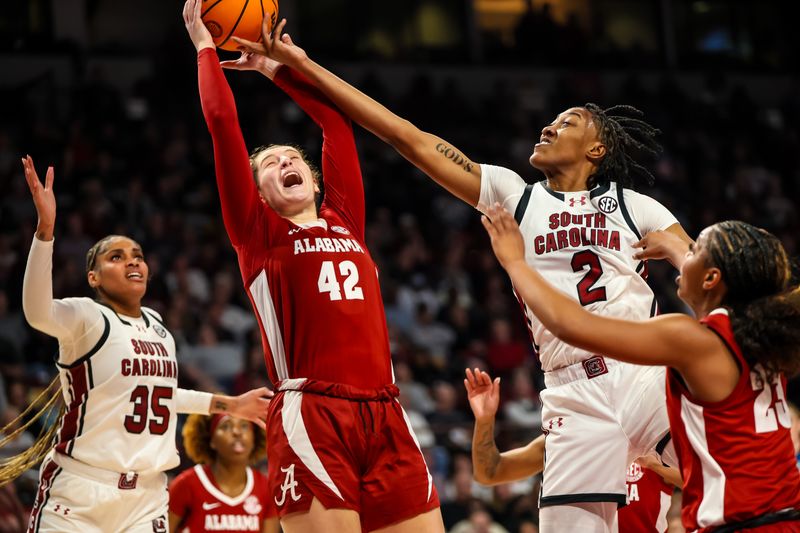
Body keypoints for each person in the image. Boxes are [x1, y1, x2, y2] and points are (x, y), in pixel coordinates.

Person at [232, 20, 692, 532]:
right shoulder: (514, 195)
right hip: (572, 392)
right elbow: (406, 137)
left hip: (644, 372)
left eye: (567, 122)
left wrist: (680, 251)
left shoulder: (635, 206)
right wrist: (302, 65)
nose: (548, 127)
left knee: (736, 470)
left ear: (597, 150)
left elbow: (704, 271)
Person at [182, 2, 443, 532]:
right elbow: (222, 123)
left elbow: (334, 122)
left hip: (386, 411)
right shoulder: (257, 235)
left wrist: (278, 67)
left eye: (292, 157)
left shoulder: (345, 219)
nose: (285, 162)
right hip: (312, 413)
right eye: (270, 165)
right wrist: (206, 48)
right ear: (256, 194)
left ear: (316, 178)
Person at [480, 204, 800, 531]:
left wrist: (515, 262)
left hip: (747, 522)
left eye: (694, 251)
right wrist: (675, 248)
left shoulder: (692, 340)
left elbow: (571, 326)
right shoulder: (762, 338)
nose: (685, 254)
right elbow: (716, 284)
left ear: (712, 277)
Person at [15, 155, 272, 533]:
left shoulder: (158, 326)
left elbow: (163, 395)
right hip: (81, 492)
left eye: (138, 255)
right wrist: (46, 232)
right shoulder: (86, 316)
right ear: (94, 277)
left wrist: (229, 404)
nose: (132, 262)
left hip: (146, 496)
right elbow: (37, 312)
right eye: (116, 257)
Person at [464, 368, 678, 533]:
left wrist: (651, 462)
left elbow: (700, 480)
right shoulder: (570, 435)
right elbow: (489, 472)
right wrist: (484, 420)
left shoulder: (650, 430)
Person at [168, 413, 279, 533]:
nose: (237, 432)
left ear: (254, 438)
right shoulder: (185, 484)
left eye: (244, 426)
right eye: (226, 426)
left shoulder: (266, 488)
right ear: (211, 440)